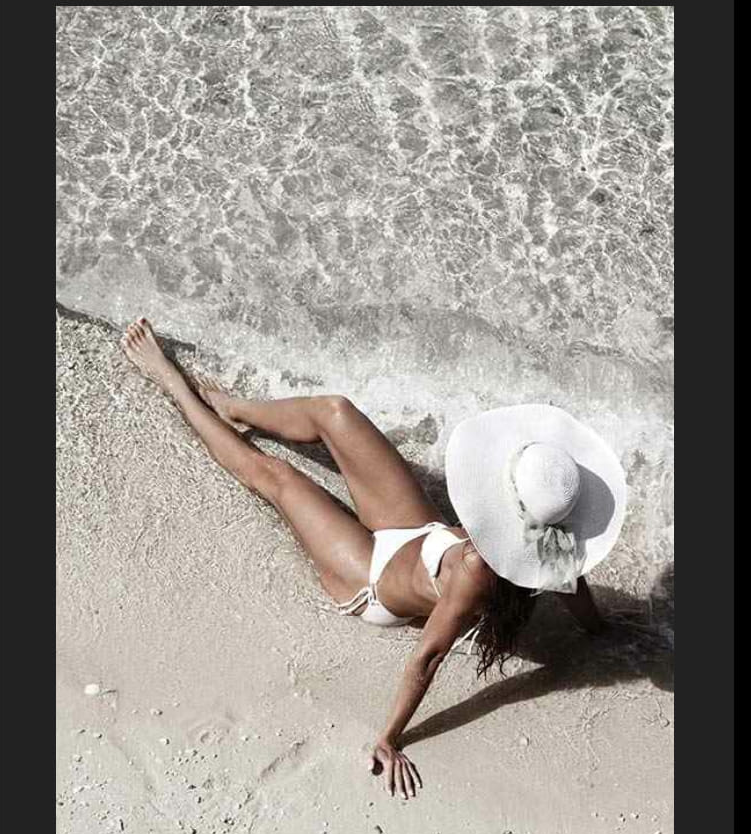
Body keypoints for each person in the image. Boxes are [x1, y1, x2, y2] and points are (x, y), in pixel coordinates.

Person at [121, 317, 627, 801]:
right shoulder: (557, 539)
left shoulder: (475, 569)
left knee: (273, 476)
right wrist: (601, 631)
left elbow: (428, 657)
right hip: (418, 534)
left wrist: (388, 738)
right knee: (335, 410)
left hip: (373, 579)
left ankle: (173, 384)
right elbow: (571, 580)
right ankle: (234, 407)